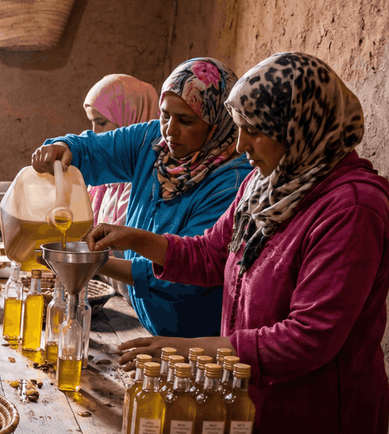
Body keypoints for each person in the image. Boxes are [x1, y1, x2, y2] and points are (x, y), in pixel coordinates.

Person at [87, 52, 389, 434]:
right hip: (248, 397)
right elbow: (212, 256)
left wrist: (190, 349)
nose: (240, 145)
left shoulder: (352, 209)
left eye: (255, 132)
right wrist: (134, 238)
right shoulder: (264, 184)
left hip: (314, 421)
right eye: (240, 128)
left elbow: (310, 338)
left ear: (298, 130)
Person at [33, 58, 252, 337]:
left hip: (196, 341)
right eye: (165, 115)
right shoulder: (153, 143)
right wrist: (62, 147)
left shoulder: (231, 183)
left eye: (185, 120)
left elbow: (188, 275)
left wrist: (92, 262)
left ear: (217, 122)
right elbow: (91, 150)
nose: (170, 131)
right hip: (151, 326)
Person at [81, 74, 160, 225]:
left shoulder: (147, 179)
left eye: (101, 122)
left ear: (130, 116)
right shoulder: (102, 174)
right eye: (92, 123)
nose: (95, 132)